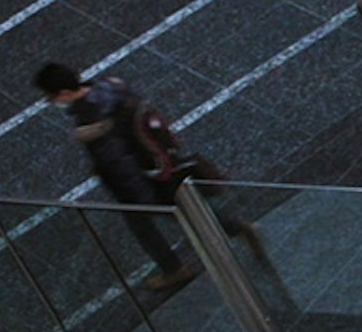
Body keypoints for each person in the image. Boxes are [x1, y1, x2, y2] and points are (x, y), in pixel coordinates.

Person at [33, 60, 250, 293]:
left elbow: (118, 162)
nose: (51, 102)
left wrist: (140, 200)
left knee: (144, 225)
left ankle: (175, 269)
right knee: (183, 209)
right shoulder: (110, 87)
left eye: (51, 97)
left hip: (139, 180)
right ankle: (235, 227)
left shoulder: (91, 120)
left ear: (64, 94)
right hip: (160, 162)